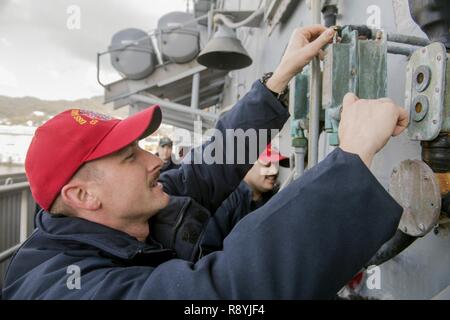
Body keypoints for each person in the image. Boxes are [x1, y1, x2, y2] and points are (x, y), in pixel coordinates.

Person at [2, 25, 408, 299]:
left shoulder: (119, 217)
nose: (153, 161)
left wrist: (279, 80)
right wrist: (351, 159)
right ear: (84, 195)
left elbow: (208, 167)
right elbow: (223, 293)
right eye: (129, 157)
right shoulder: (65, 288)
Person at [200, 144, 290, 255]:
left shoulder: (277, 199)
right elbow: (207, 251)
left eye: (277, 165)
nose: (274, 171)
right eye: (267, 165)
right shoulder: (225, 201)